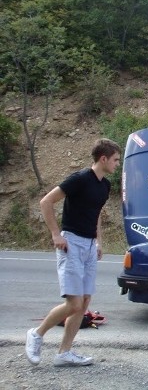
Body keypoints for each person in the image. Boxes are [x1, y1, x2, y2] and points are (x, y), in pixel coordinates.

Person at [25, 138, 121, 366]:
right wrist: (56, 234)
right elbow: (46, 201)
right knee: (74, 303)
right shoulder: (79, 179)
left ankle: (64, 353)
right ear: (103, 158)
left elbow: (96, 214)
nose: (118, 164)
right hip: (72, 243)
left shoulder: (104, 186)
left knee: (85, 302)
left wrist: (98, 242)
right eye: (116, 160)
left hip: (89, 246)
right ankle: (36, 334)